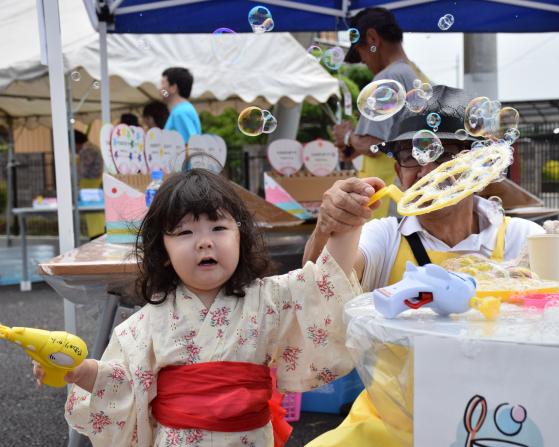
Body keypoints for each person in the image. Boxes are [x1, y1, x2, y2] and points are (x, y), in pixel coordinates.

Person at [33, 168, 372, 447]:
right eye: (184, 232)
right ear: (162, 251)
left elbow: (324, 287)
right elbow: (124, 379)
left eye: (219, 227)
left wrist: (347, 224)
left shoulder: (269, 298)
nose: (204, 240)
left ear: (241, 236)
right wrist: (80, 372)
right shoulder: (146, 322)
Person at [304, 87, 545, 447]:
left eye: (444, 156)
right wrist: (330, 225)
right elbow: (319, 286)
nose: (427, 170)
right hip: (390, 418)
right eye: (412, 156)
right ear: (398, 169)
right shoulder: (383, 236)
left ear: (476, 165)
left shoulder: (522, 239)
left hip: (492, 417)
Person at [334, 7, 429, 218]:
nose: (364, 62)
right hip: (408, 195)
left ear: (372, 38)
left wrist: (348, 136)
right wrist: (355, 145)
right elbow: (395, 140)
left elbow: (374, 145)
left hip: (385, 201)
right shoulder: (415, 73)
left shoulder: (388, 77)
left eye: (360, 52)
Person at [74, 130, 105, 238]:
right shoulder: (93, 148)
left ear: (76, 143)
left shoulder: (87, 150)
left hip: (89, 187)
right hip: (93, 186)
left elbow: (82, 171)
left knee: (94, 217)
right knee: (96, 215)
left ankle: (96, 237)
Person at [161, 67, 202, 143]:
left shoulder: (180, 112)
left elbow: (189, 147)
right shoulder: (182, 110)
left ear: (173, 88)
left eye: (163, 84)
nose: (160, 89)